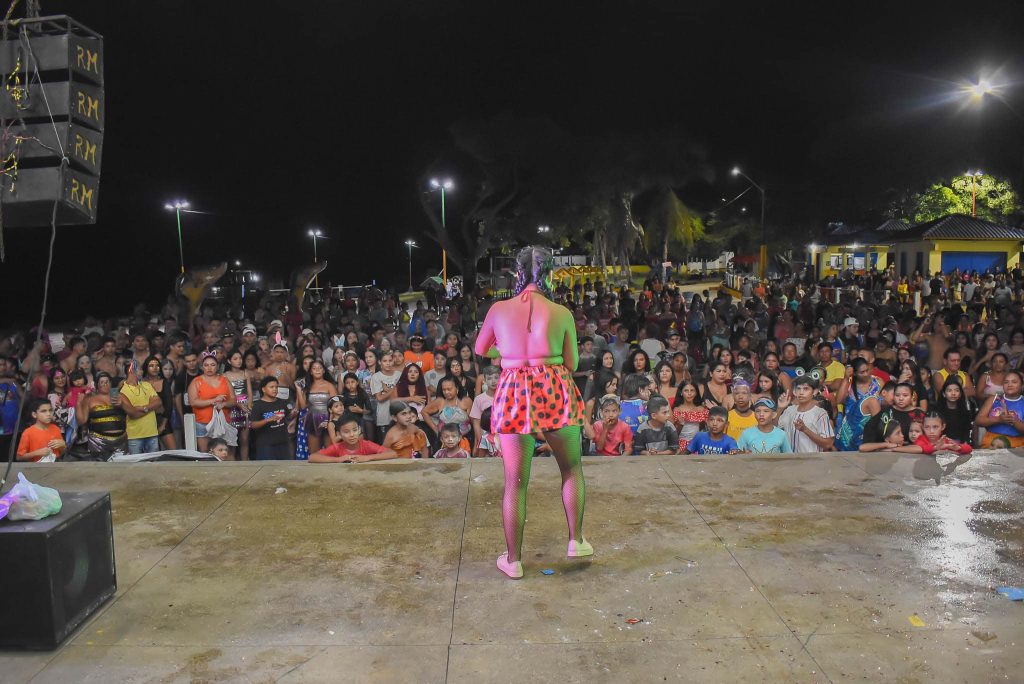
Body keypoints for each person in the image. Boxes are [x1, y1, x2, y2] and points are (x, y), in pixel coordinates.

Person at [474, 245, 590, 579]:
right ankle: (576, 540)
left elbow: (481, 348)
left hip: (512, 390)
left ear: (516, 273)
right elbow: (572, 363)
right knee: (571, 469)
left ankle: (513, 561)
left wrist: (508, 352)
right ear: (550, 273)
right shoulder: (561, 312)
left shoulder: (499, 308)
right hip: (554, 387)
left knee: (514, 482)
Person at [188, 353, 237, 454]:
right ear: (202, 367)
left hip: (223, 422)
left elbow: (233, 400)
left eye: (213, 365)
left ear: (218, 366)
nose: (209, 368)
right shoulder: (196, 382)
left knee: (225, 453)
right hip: (202, 423)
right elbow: (193, 402)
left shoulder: (225, 380)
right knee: (205, 453)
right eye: (206, 365)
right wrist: (213, 401)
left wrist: (224, 404)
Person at [75, 371, 127, 459]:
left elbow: (131, 412)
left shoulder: (119, 396)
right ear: (97, 385)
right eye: (101, 382)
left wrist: (122, 404)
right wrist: (79, 403)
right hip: (98, 441)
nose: (104, 384)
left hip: (121, 440)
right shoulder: (90, 399)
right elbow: (81, 421)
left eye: (107, 382)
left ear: (111, 383)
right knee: (99, 468)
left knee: (121, 468)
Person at [309, 412, 399, 463]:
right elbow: (312, 457)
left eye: (355, 430)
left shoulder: (366, 445)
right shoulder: (337, 448)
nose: (352, 435)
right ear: (339, 434)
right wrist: (338, 459)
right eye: (346, 432)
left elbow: (392, 454)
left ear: (360, 430)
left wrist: (367, 458)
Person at [834, 359, 882, 452]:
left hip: (872, 428)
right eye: (862, 372)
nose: (866, 374)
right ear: (855, 373)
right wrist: (846, 378)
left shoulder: (878, 382)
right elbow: (839, 400)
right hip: (852, 429)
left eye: (867, 370)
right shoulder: (849, 384)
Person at [778, 376, 835, 452]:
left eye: (806, 389)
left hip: (810, 462)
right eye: (798, 389)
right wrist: (780, 408)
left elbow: (828, 444)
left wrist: (805, 430)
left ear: (814, 392)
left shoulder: (820, 414)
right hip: (789, 461)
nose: (801, 392)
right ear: (794, 392)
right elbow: (775, 428)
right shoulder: (789, 410)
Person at [119, 360, 162, 455]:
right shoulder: (123, 391)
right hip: (134, 436)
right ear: (131, 370)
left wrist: (142, 408)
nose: (142, 371)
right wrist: (150, 407)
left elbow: (158, 402)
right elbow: (133, 414)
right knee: (136, 467)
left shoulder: (147, 385)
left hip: (152, 433)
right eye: (140, 369)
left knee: (154, 466)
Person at [976, 370, 1024, 448]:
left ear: (1022, 385)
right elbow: (978, 421)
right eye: (1006, 382)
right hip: (991, 443)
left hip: (1016, 446)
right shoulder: (994, 399)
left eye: (1014, 382)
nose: (1010, 384)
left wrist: (1013, 420)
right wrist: (998, 419)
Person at [248, 377, 293, 460]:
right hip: (266, 446)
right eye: (271, 387)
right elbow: (253, 425)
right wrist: (268, 420)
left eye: (276, 387)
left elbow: (287, 417)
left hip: (283, 443)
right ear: (264, 389)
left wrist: (293, 415)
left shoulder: (282, 402)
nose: (275, 389)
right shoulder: (258, 405)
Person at [369, 351, 402, 442]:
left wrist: (386, 390)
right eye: (385, 361)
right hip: (384, 416)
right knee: (385, 445)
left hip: (399, 415)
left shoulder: (399, 375)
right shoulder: (376, 377)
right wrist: (394, 389)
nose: (388, 363)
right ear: (380, 362)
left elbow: (402, 394)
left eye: (390, 360)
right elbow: (379, 398)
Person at [934, 377, 976, 444]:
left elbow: (966, 434)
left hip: (959, 445)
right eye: (949, 390)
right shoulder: (936, 412)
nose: (953, 393)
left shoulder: (965, 412)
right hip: (940, 444)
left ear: (960, 394)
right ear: (944, 394)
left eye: (956, 390)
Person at [470, 365, 499, 452]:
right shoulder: (479, 399)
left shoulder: (506, 397)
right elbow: (476, 423)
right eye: (489, 378)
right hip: (486, 439)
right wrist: (481, 441)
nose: (493, 381)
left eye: (496, 377)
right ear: (485, 381)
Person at [672, 381, 707, 452]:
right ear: (681, 393)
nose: (689, 393)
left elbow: (703, 429)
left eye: (692, 390)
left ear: (696, 393)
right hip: (681, 445)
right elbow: (674, 433)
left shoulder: (701, 409)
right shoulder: (677, 410)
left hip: (698, 443)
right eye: (686, 390)